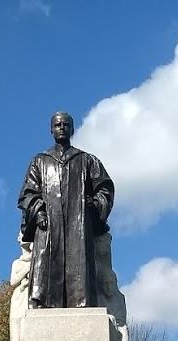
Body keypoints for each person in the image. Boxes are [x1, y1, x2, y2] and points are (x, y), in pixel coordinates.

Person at [17, 111, 115, 309]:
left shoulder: (87, 160)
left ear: (72, 128)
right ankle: (43, 302)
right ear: (51, 130)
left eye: (65, 125)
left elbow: (105, 188)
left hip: (77, 225)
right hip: (48, 226)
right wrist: (39, 212)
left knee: (79, 268)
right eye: (57, 125)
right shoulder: (40, 161)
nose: (61, 128)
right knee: (45, 268)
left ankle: (81, 303)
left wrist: (94, 204)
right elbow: (27, 193)